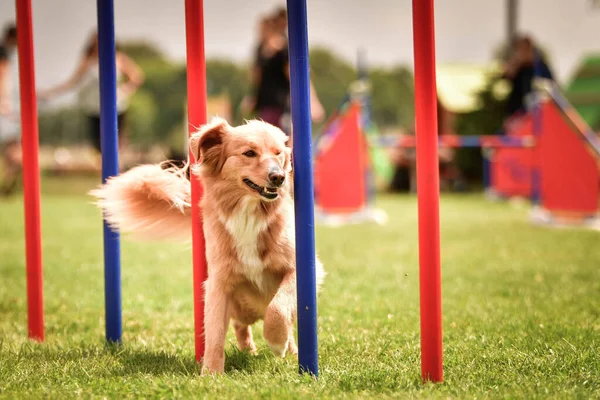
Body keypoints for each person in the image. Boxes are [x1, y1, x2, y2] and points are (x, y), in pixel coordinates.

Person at [38, 31, 144, 156]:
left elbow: (136, 77)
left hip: (116, 108)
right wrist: (49, 93)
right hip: (94, 108)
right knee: (98, 145)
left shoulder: (118, 57)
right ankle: (106, 170)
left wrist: (124, 90)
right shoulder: (87, 61)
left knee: (117, 143)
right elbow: (72, 82)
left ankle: (119, 169)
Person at [242, 8, 324, 134]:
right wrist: (252, 97)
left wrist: (312, 100)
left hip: (281, 103)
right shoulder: (260, 49)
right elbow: (257, 77)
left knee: (282, 137)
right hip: (266, 104)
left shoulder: (284, 49)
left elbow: (296, 75)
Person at [502, 35, 553, 119]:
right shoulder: (518, 67)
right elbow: (506, 76)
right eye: (520, 50)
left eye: (525, 49)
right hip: (516, 112)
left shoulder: (540, 67)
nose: (523, 53)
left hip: (536, 112)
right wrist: (516, 62)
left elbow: (550, 86)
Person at [0, 23, 21, 196]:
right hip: (4, 106)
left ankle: (8, 182)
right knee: (13, 149)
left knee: (13, 148)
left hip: (6, 105)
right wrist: (4, 103)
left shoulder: (6, 53)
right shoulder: (3, 53)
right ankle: (8, 182)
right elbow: (2, 77)